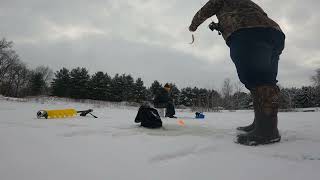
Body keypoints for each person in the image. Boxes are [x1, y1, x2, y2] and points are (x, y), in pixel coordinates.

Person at [189, 0, 285, 145]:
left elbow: (205, 11)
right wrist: (220, 25)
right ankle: (261, 124)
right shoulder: (248, 3)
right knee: (266, 80)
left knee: (255, 78)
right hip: (274, 34)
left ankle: (267, 131)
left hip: (247, 32)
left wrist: (192, 27)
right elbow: (253, 15)